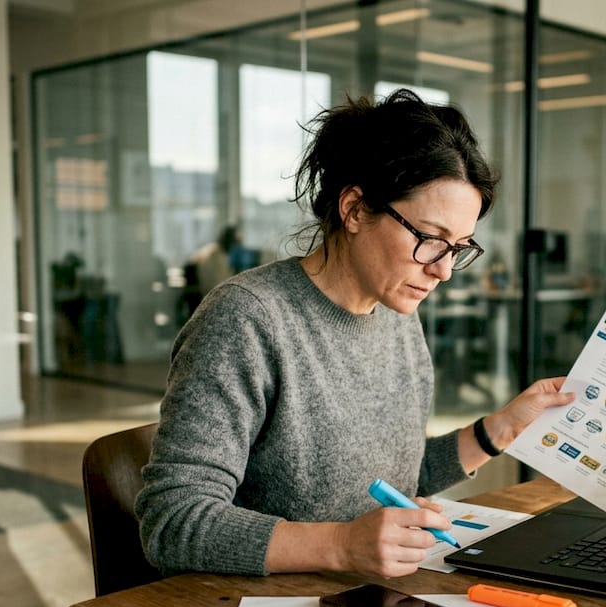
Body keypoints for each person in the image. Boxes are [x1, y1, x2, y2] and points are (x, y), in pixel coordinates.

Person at [136, 89, 574, 579]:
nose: (444, 270)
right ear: (355, 210)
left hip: (361, 592)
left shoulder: (396, 313)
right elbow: (172, 522)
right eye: (431, 239)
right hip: (255, 604)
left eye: (458, 247)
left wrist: (502, 429)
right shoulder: (248, 318)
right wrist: (343, 546)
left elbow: (392, 480)